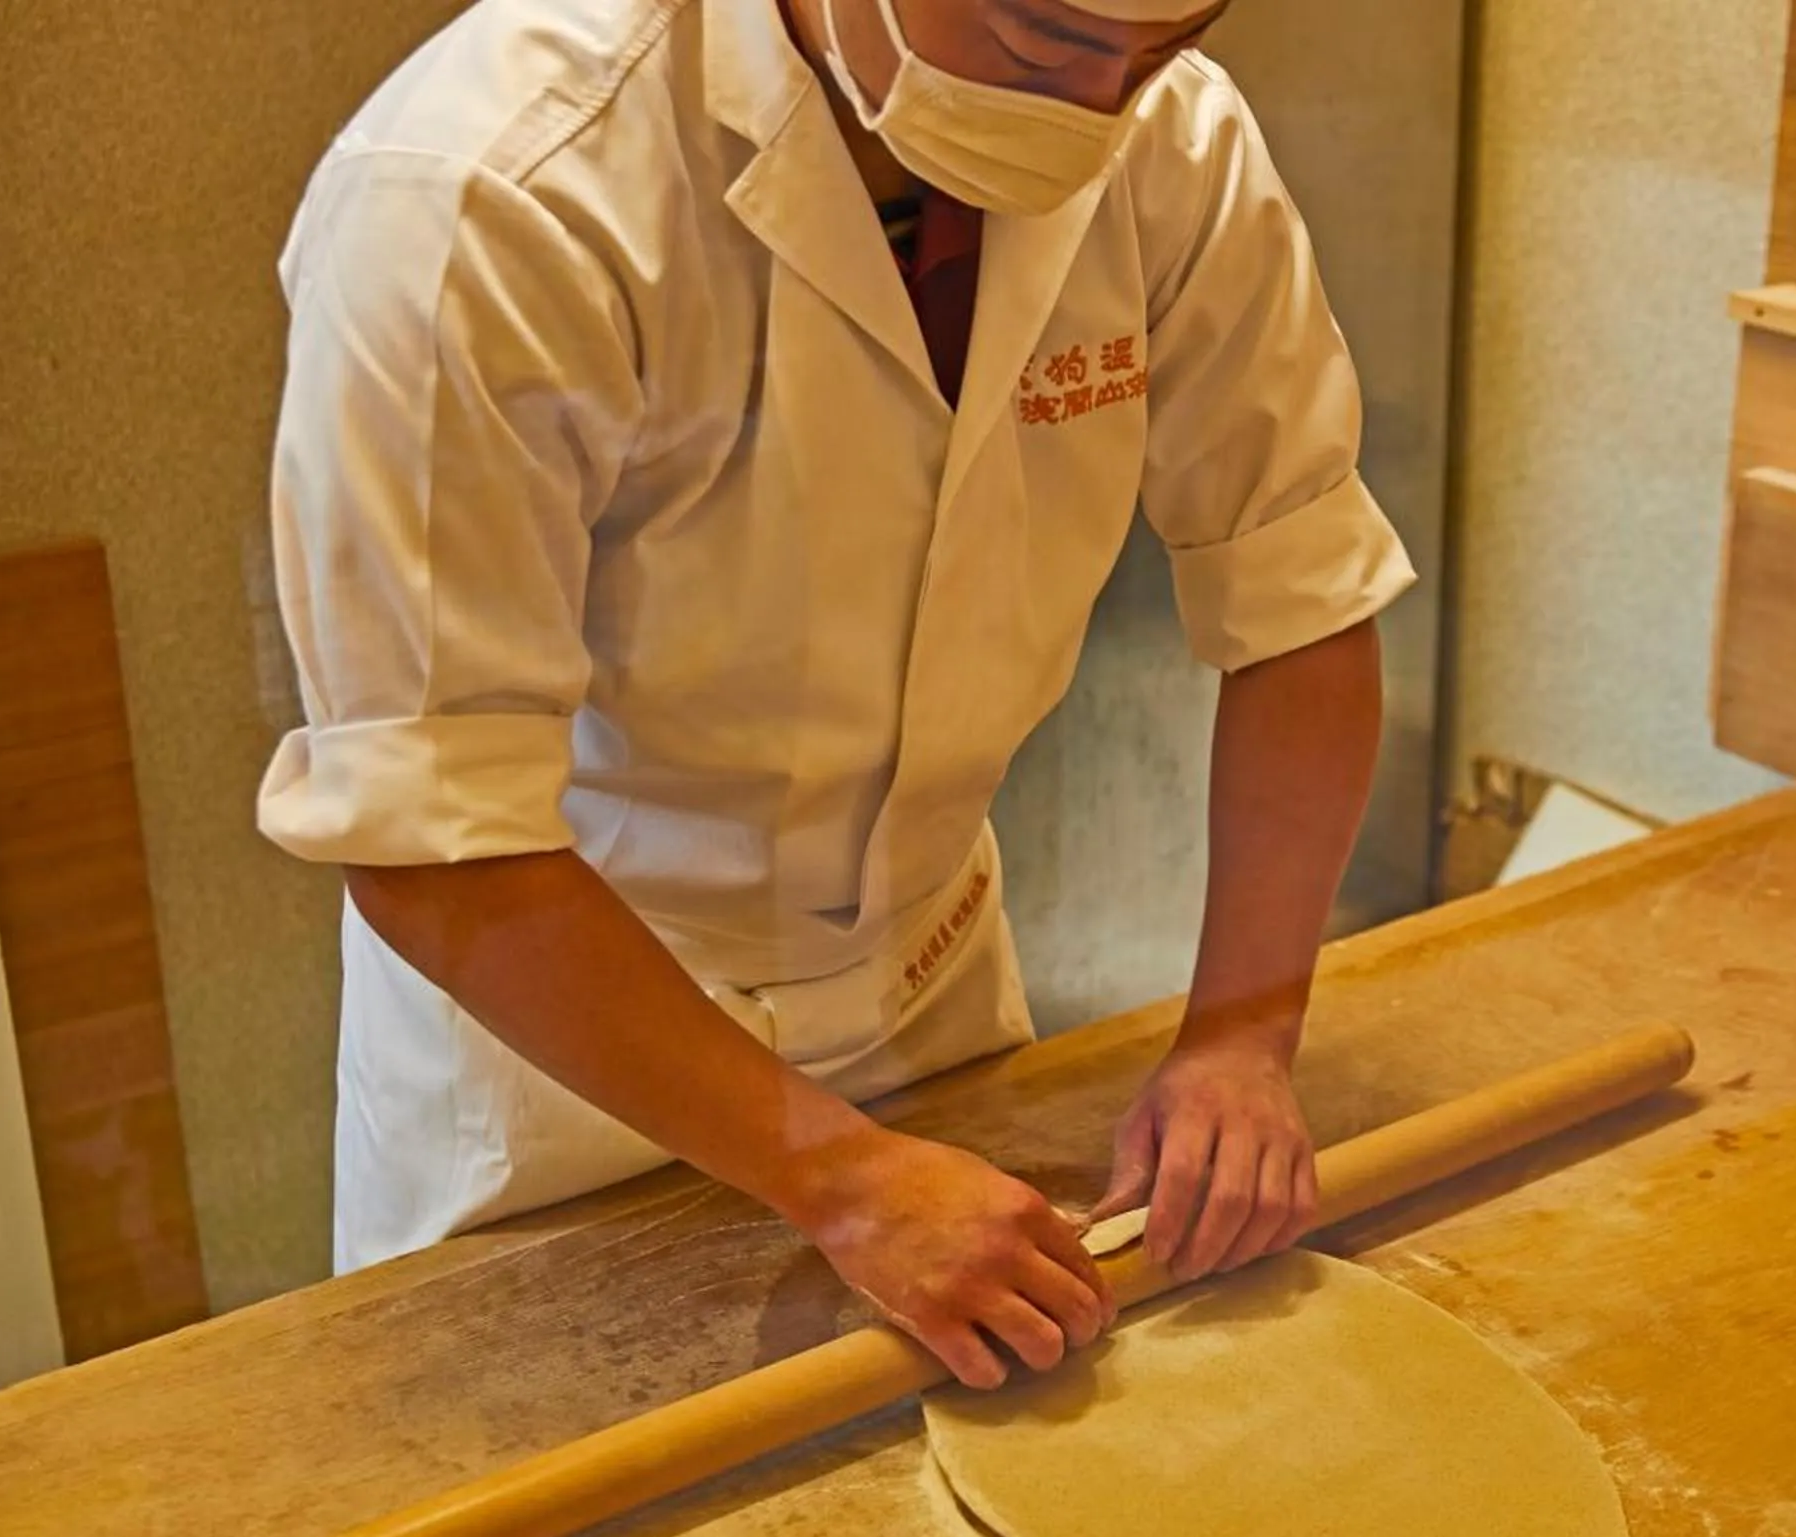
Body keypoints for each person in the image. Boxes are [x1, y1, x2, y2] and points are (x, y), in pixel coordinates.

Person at [259, 0, 1412, 1389]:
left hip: (923, 981)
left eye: (1156, 50)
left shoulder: (1168, 138)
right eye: (1043, 48)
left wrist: (1243, 1032)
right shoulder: (488, 197)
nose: (1098, 111)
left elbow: (1301, 601)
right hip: (575, 1036)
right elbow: (429, 829)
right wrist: (838, 1177)